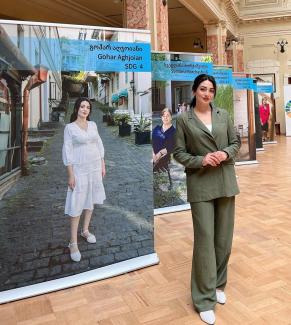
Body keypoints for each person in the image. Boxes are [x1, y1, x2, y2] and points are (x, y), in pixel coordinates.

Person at [173, 74, 240, 325]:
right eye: (203, 89)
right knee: (204, 241)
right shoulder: (183, 120)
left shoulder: (223, 115)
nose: (207, 94)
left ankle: (218, 285)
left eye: (211, 90)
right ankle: (203, 299)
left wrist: (224, 153)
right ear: (194, 91)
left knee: (223, 240)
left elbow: (235, 143)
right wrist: (201, 160)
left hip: (225, 181)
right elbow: (179, 152)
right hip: (200, 184)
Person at [62, 97, 106, 262]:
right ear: (77, 108)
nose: (85, 109)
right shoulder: (69, 128)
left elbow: (99, 145)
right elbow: (67, 152)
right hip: (79, 170)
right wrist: (71, 174)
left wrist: (102, 164)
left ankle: (85, 230)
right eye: (82, 106)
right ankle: (73, 242)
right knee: (77, 203)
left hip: (94, 168)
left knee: (91, 200)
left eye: (87, 107)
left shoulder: (93, 125)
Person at [152, 108, 176, 190]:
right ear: (161, 117)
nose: (165, 118)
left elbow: (173, 147)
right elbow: (151, 142)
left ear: (171, 117)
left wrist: (160, 153)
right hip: (153, 155)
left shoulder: (174, 131)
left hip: (164, 157)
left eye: (167, 116)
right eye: (163, 116)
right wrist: (153, 153)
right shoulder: (157, 128)